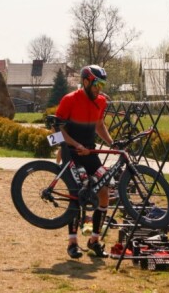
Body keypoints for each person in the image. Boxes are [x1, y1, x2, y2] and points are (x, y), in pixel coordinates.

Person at [55, 64, 114, 259]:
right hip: (71, 153)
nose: (100, 88)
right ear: (86, 81)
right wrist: (73, 145)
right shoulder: (69, 100)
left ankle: (93, 240)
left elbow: (99, 125)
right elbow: (57, 132)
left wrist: (112, 143)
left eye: (102, 84)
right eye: (97, 84)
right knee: (76, 195)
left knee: (103, 193)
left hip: (89, 152)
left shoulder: (102, 101)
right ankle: (73, 243)